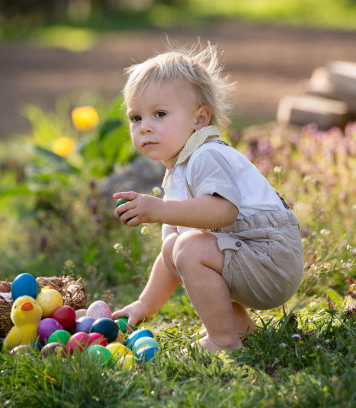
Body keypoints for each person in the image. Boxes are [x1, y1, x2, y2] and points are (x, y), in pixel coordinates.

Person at [111, 43, 304, 354]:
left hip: (270, 255)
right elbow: (169, 256)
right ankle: (240, 329)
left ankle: (223, 342)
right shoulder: (178, 171)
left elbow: (223, 211)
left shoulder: (206, 156)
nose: (144, 126)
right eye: (136, 118)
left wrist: (159, 209)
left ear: (199, 119)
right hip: (250, 253)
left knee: (190, 248)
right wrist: (144, 304)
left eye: (159, 114)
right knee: (178, 246)